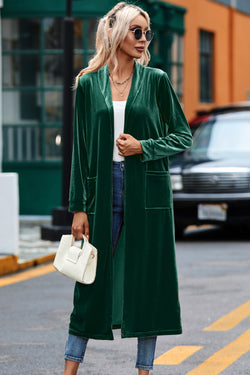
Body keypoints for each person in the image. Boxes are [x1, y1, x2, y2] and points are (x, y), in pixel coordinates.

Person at [63, 2, 192, 374]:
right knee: (90, 282)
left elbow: (183, 135)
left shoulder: (156, 81)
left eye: (147, 32)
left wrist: (144, 147)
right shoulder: (89, 83)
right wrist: (78, 207)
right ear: (117, 33)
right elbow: (81, 150)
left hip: (146, 190)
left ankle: (143, 370)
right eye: (136, 31)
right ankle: (69, 370)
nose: (143, 39)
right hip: (101, 190)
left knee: (146, 283)